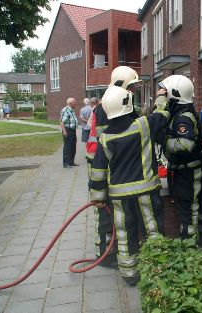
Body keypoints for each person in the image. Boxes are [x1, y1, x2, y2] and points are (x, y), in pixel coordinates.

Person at [89, 85, 170, 286]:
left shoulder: (105, 137)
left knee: (124, 234)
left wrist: (98, 197)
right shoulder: (143, 125)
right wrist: (161, 97)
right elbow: (162, 114)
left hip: (119, 198)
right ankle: (158, 270)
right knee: (152, 230)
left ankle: (129, 274)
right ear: (128, 104)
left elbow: (98, 170)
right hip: (146, 193)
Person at [86, 66, 142, 269]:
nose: (134, 90)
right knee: (104, 211)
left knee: (112, 213)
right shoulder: (105, 107)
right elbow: (108, 141)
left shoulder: (118, 101)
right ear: (121, 84)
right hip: (100, 166)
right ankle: (104, 254)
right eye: (132, 86)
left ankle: (113, 249)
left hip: (108, 165)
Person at [160, 75, 202, 246]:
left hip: (187, 172)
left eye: (166, 93)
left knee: (187, 206)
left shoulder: (182, 117)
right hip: (191, 169)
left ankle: (188, 244)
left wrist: (162, 139)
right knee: (201, 203)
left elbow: (185, 145)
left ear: (174, 94)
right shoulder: (182, 112)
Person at [60, 98, 79, 168]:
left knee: (73, 147)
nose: (75, 104)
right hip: (68, 130)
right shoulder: (65, 110)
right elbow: (62, 121)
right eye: (74, 102)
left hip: (73, 131)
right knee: (67, 147)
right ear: (70, 103)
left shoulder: (71, 110)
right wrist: (64, 131)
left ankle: (71, 162)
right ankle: (66, 163)